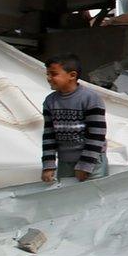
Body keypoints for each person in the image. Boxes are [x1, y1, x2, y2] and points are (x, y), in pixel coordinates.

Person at [40, 55, 106, 183]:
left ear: (72, 75)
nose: (48, 78)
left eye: (53, 74)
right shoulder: (50, 101)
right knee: (67, 198)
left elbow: (97, 134)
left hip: (92, 162)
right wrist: (48, 165)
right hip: (65, 162)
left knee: (92, 197)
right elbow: (48, 135)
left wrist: (85, 165)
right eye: (47, 74)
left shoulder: (90, 98)